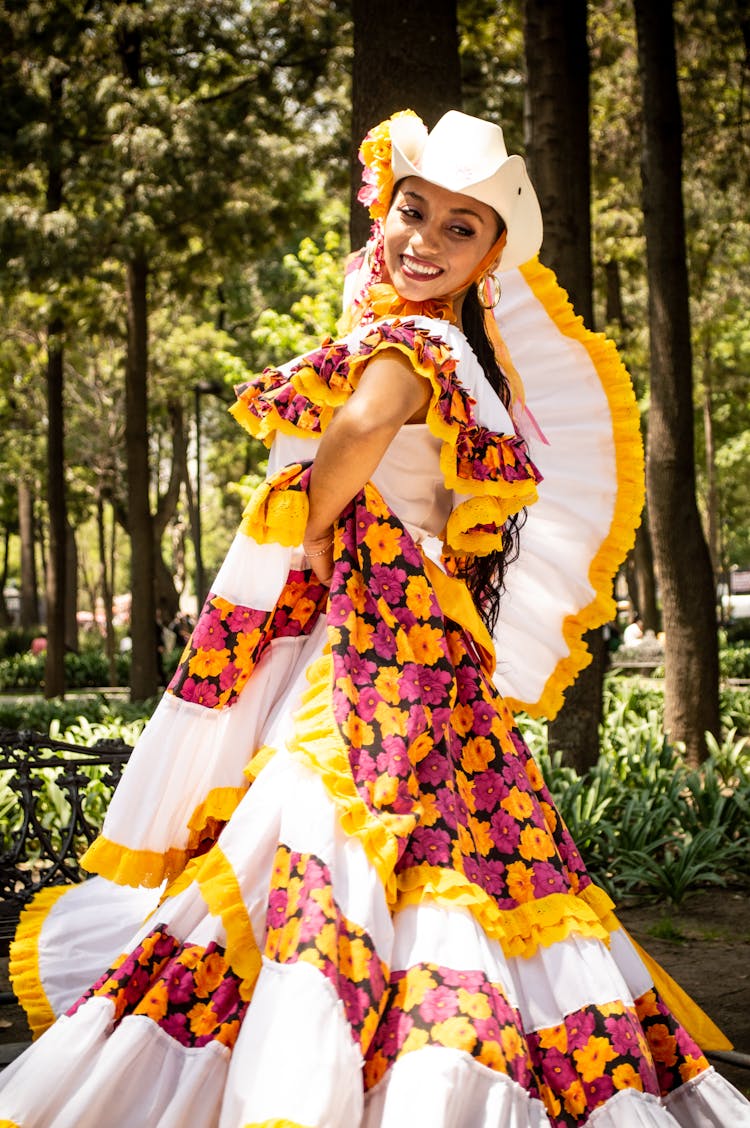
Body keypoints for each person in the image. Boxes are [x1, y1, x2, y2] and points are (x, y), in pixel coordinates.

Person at [2, 110, 748, 1128]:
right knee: (448, 846)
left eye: (459, 229)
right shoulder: (457, 359)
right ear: (382, 212)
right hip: (424, 647)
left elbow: (354, 429)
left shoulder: (410, 342)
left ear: (488, 256)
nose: (425, 239)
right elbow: (436, 503)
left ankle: (323, 1078)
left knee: (339, 824)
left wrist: (309, 528)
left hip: (379, 650)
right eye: (415, 213)